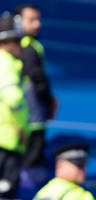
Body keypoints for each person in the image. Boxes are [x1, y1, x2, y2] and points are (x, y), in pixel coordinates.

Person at [14, 3, 58, 165]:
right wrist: (48, 101)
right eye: (31, 20)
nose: (37, 24)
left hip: (21, 115)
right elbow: (37, 78)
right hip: (32, 114)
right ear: (18, 21)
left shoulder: (18, 45)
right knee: (31, 156)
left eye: (38, 19)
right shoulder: (28, 47)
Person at [0, 11, 29, 198]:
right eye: (18, 41)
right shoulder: (6, 63)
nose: (20, 47)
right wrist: (20, 127)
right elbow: (14, 98)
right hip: (7, 137)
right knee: (6, 190)